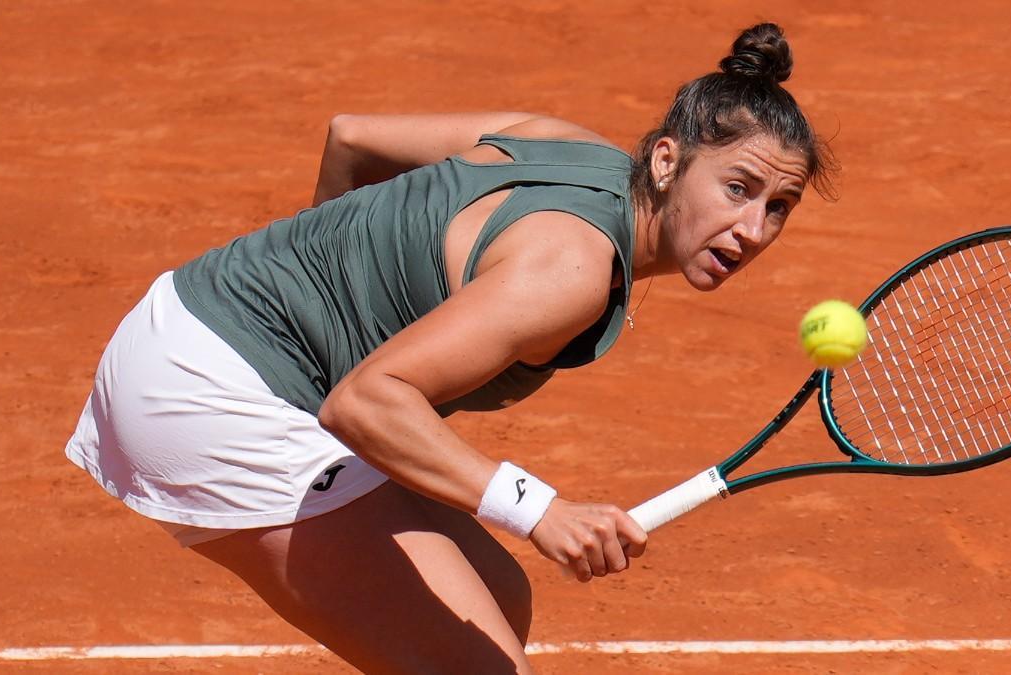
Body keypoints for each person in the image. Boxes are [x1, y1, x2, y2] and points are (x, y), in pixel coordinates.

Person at [64, 22, 836, 674]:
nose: (752, 230)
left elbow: (352, 138)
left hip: (190, 312)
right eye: (738, 189)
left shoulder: (563, 142)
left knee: (499, 598)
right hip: (208, 393)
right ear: (668, 161)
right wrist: (540, 510)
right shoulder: (571, 270)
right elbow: (366, 401)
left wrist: (326, 295)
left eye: (779, 207)